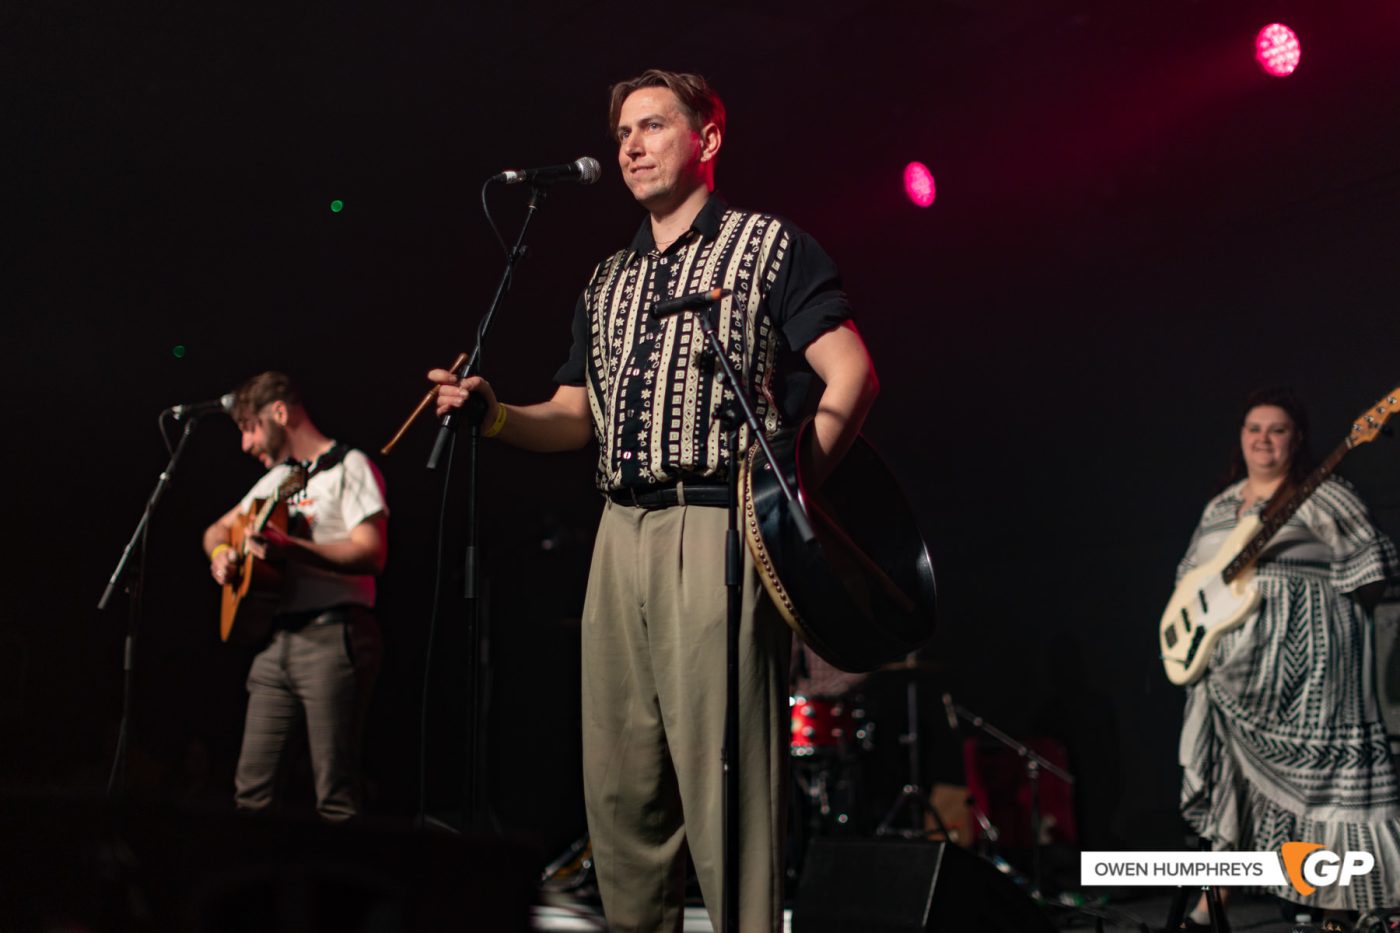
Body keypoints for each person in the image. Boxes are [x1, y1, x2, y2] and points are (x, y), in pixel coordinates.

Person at [430, 69, 878, 932]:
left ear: (707, 139)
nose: (631, 147)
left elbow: (851, 375)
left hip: (717, 525)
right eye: (622, 133)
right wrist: (494, 415)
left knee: (725, 783)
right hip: (619, 533)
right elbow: (575, 415)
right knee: (622, 785)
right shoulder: (607, 279)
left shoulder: (767, 245)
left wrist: (781, 501)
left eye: (652, 126)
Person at [1174, 387, 1400, 928]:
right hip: (1231, 677)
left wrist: (1306, 606)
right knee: (1232, 793)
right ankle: (1212, 904)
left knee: (1328, 794)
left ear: (1296, 439)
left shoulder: (1327, 496)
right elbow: (1189, 580)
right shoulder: (1220, 507)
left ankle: (1336, 908)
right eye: (1254, 428)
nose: (1263, 439)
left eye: (1276, 430)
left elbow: (1373, 573)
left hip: (1312, 685)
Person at [203, 371, 388, 821]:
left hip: (333, 636)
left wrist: (293, 549)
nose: (246, 444)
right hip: (275, 644)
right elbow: (215, 530)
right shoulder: (277, 480)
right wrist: (223, 554)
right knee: (251, 796)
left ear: (280, 414)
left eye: (250, 427)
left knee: (336, 797)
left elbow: (372, 553)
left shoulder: (349, 466)